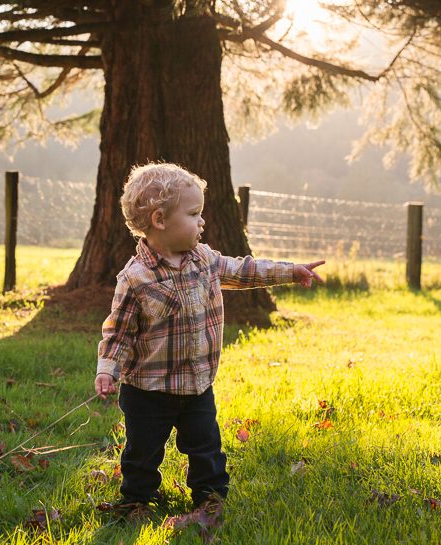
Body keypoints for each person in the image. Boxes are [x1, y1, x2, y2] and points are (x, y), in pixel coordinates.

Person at [94, 162, 324, 514]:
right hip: (147, 391)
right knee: (142, 450)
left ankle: (210, 497)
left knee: (206, 447)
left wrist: (290, 271)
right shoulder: (135, 277)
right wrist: (107, 370)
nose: (203, 222)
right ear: (160, 220)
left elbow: (244, 270)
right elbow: (118, 330)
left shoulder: (205, 259)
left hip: (198, 385)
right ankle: (138, 499)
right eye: (194, 213)